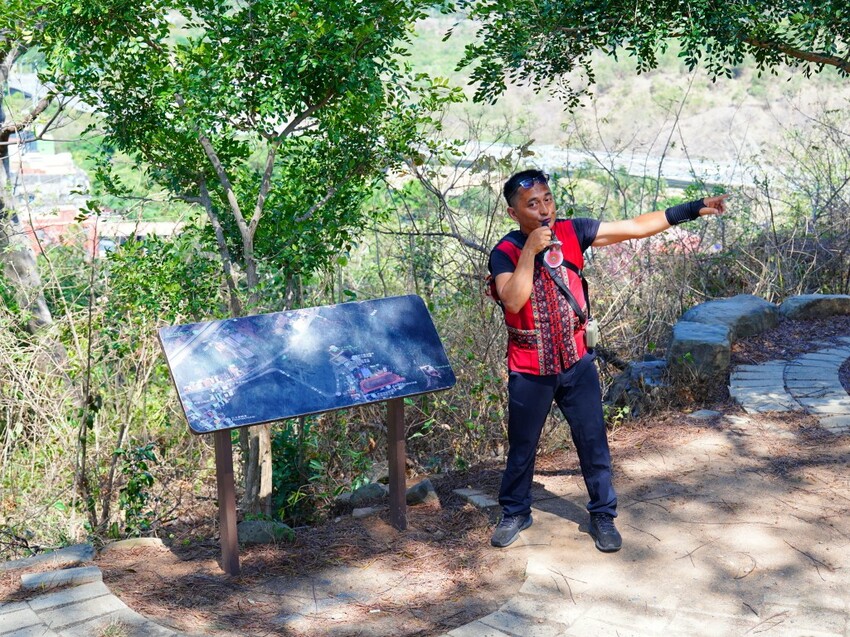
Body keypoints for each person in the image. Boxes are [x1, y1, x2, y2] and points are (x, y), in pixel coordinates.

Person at [488, 169, 727, 551]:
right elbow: (513, 299)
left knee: (593, 441)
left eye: (547, 199)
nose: (544, 209)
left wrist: (694, 208)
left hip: (577, 360)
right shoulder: (505, 251)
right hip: (530, 368)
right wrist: (530, 251)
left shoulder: (574, 231)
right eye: (532, 204)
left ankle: (603, 514)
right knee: (522, 445)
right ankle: (516, 511)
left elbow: (634, 227)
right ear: (514, 214)